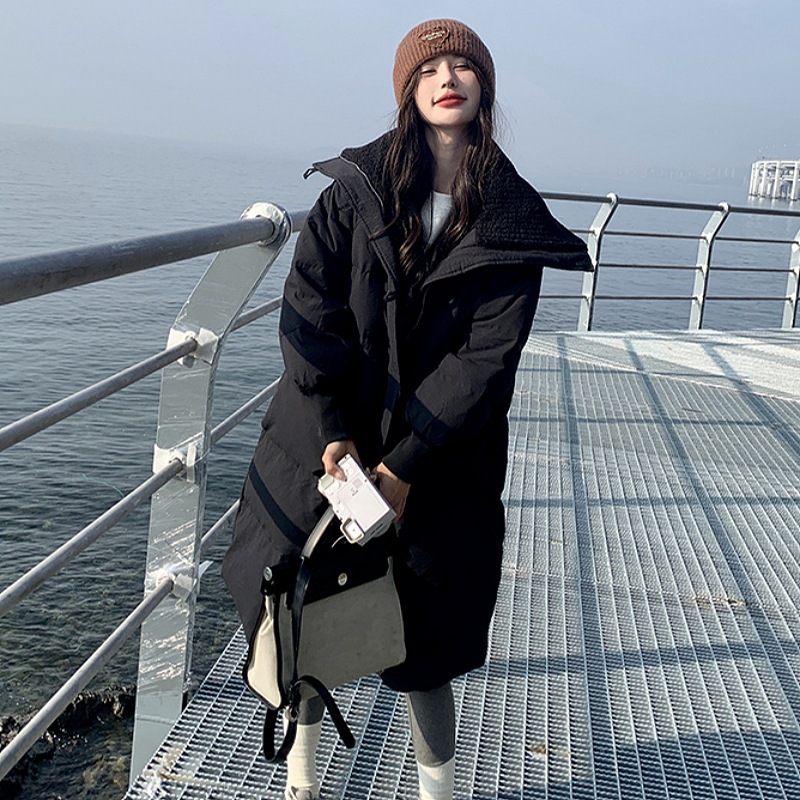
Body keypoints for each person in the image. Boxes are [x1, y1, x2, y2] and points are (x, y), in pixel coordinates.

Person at [223, 18, 592, 800]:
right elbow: (309, 311)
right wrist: (333, 436)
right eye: (428, 69)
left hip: (443, 461)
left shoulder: (510, 218)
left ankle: (438, 792)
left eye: (463, 65)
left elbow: (486, 358)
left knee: (426, 646)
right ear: (407, 91)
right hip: (326, 444)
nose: (446, 78)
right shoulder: (351, 193)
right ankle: (301, 779)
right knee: (303, 612)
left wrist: (404, 465)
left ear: (484, 86)